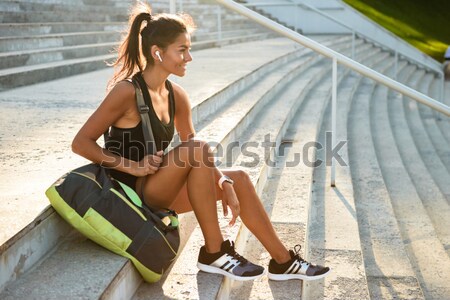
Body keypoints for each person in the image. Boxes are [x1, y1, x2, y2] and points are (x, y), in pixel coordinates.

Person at [71, 2, 330, 282]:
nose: (189, 57)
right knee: (197, 150)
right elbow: (81, 143)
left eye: (188, 49)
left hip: (157, 186)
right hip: (128, 192)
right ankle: (214, 251)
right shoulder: (126, 92)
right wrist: (133, 167)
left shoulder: (176, 95)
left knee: (238, 178)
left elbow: (197, 154)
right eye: (182, 50)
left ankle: (283, 262)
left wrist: (222, 182)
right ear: (158, 52)